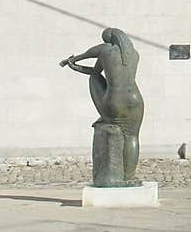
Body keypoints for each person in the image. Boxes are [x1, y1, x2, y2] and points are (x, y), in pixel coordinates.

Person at [59, 28, 144, 183]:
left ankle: (105, 115)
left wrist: (70, 62)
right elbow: (97, 69)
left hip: (114, 101)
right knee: (132, 137)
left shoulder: (105, 50)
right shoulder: (134, 54)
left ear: (108, 39)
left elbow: (87, 57)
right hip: (135, 100)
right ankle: (129, 176)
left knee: (93, 79)